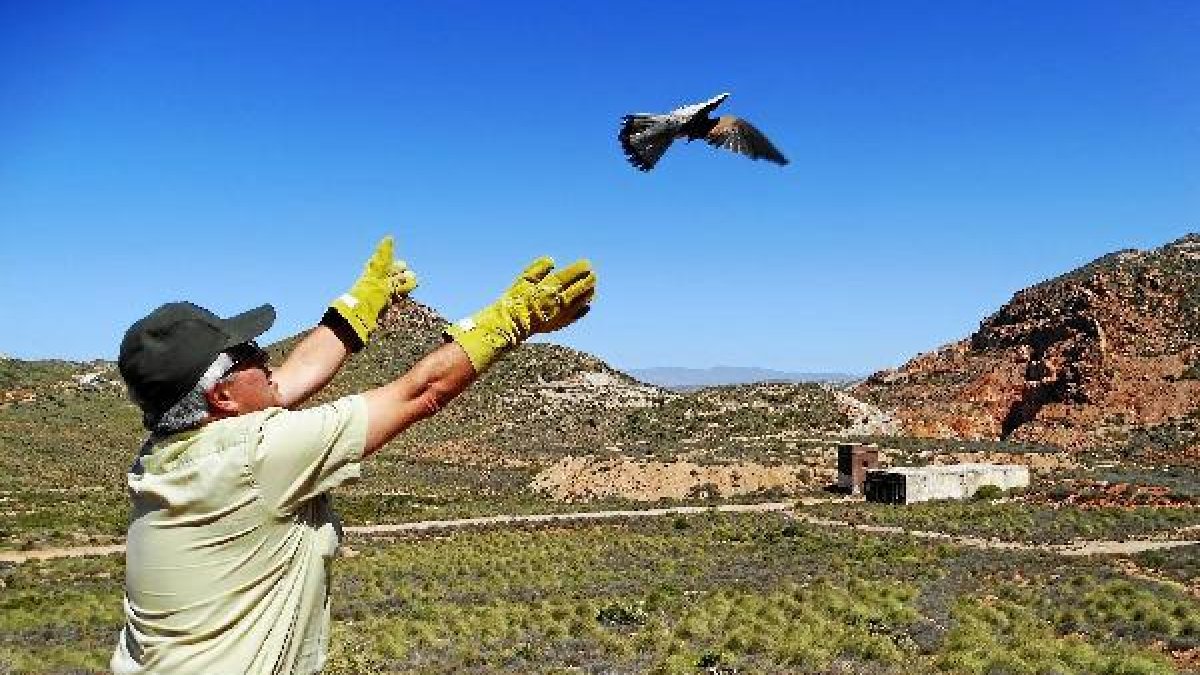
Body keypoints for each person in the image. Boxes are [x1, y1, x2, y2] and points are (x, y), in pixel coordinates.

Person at [111, 236, 596, 674]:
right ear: (222, 397)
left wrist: (358, 306)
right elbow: (421, 391)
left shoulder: (164, 450)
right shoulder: (257, 456)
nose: (265, 357)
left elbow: (288, 380)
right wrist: (511, 320)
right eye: (249, 355)